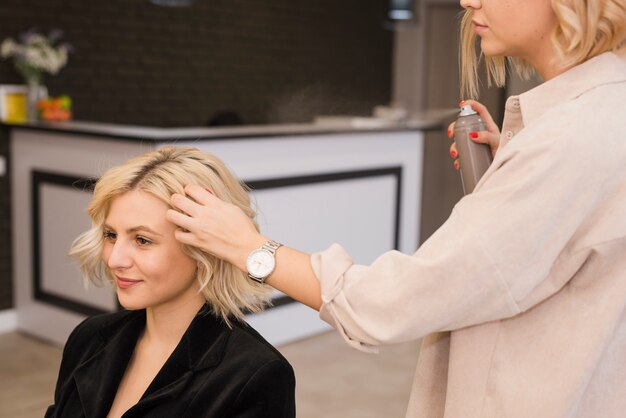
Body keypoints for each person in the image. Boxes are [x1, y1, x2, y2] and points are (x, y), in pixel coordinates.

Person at [166, 0, 626, 416]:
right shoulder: (600, 117)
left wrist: (250, 249)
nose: (467, 2)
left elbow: (401, 299)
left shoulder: (569, 139)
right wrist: (505, 183)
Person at [45, 147, 296, 418]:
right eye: (111, 235)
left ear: (204, 248)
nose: (115, 259)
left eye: (142, 240)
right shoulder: (88, 338)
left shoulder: (254, 375)